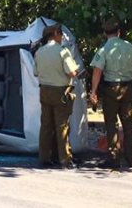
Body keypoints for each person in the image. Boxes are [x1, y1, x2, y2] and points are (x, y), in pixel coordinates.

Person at [89, 17, 132, 170]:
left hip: (110, 89)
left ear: (105, 33)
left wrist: (93, 91)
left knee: (111, 123)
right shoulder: (130, 47)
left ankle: (114, 158)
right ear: (119, 32)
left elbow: (97, 71)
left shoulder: (103, 50)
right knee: (128, 122)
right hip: (128, 89)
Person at [33, 24, 80, 169]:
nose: (62, 37)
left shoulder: (39, 52)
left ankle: (44, 158)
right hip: (60, 92)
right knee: (62, 126)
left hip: (45, 91)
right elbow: (72, 72)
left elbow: (36, 73)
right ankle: (65, 160)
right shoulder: (62, 51)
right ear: (55, 34)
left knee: (46, 126)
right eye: (60, 34)